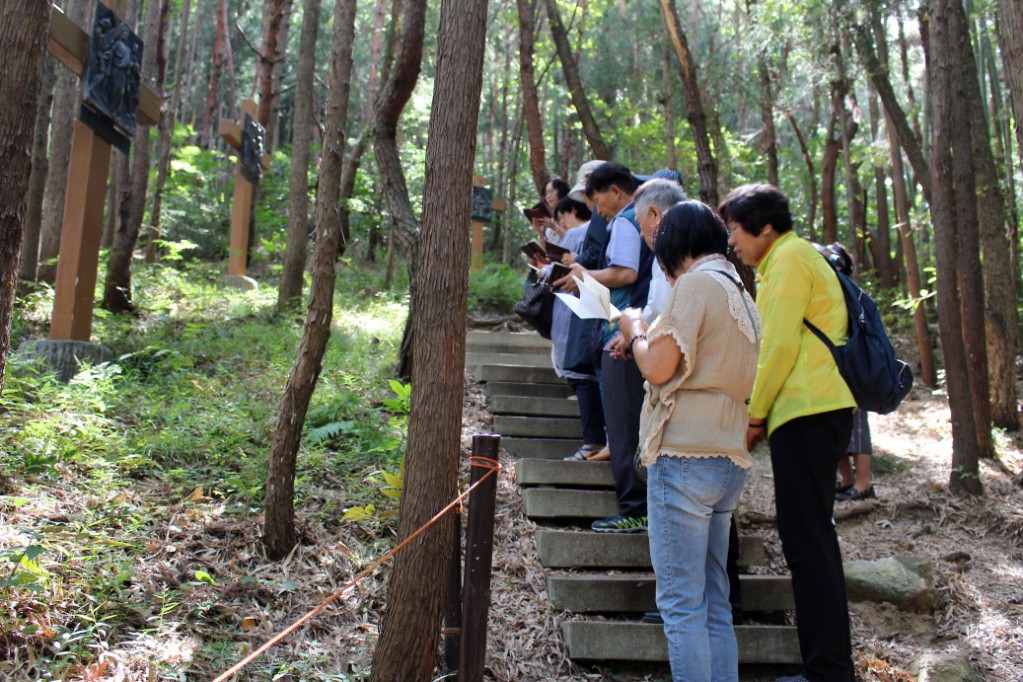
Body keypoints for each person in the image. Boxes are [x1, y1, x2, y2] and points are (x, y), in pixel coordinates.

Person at [617, 201, 761, 682]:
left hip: (684, 453)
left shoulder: (696, 283)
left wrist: (634, 327)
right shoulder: (740, 290)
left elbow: (658, 365)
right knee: (714, 601)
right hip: (727, 456)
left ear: (672, 245)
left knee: (680, 604)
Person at [721, 183, 858, 682]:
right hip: (812, 410)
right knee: (809, 539)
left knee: (807, 542)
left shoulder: (788, 259)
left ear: (764, 227)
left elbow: (775, 346)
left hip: (807, 410)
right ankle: (828, 666)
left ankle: (828, 670)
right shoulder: (792, 257)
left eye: (735, 229)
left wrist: (754, 415)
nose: (731, 241)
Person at [558, 162, 647, 532]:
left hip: (623, 334)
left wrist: (584, 275)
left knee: (625, 425)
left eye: (598, 201)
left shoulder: (626, 221)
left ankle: (634, 509)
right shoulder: (633, 220)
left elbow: (625, 272)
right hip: (629, 329)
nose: (599, 211)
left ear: (614, 190)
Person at [542, 197, 606, 462]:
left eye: (562, 215)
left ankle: (593, 442)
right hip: (599, 310)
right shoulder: (608, 228)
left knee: (583, 377)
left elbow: (557, 273)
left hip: (580, 311)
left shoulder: (583, 232)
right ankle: (602, 441)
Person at [813, 242, 876, 502]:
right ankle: (848, 480)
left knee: (858, 427)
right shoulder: (829, 292)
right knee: (836, 428)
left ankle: (863, 484)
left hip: (852, 369)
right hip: (833, 370)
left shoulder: (850, 293)